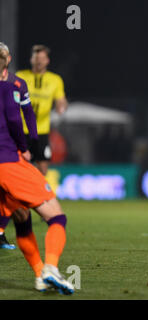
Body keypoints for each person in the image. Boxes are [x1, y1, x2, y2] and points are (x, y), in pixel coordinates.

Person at [0, 52, 74, 294]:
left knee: (21, 217)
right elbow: (15, 118)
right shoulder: (10, 86)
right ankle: (51, 268)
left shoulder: (18, 83)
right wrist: (24, 147)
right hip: (8, 161)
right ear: (8, 61)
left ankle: (40, 275)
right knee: (56, 217)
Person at [0, 42, 39, 250]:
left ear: (9, 59)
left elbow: (28, 113)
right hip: (9, 146)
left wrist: (32, 139)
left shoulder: (18, 83)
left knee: (10, 193)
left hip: (9, 145)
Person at [16, 44, 68, 176]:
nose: (39, 61)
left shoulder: (55, 80)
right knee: (18, 167)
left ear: (47, 61)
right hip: (20, 130)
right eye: (36, 57)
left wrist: (61, 106)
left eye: (42, 58)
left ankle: (38, 195)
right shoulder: (20, 76)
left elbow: (61, 99)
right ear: (31, 59)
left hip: (41, 131)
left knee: (43, 168)